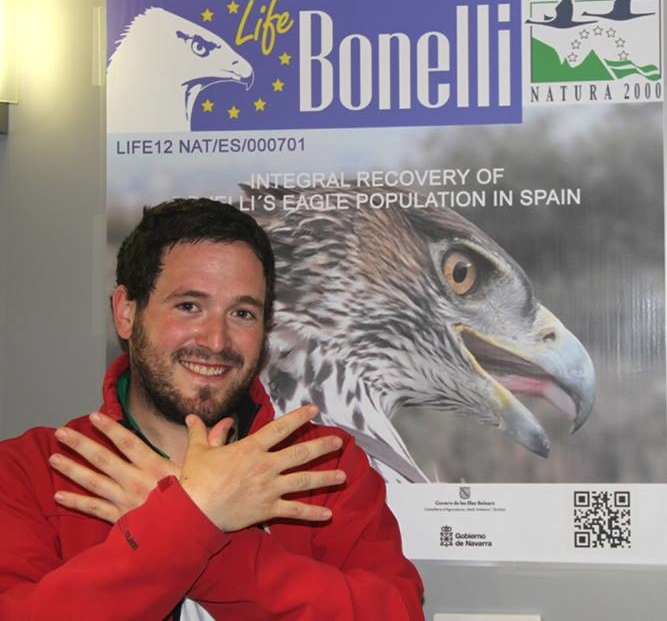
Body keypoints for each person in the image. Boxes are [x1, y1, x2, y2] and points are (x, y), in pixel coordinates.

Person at [0, 198, 424, 620]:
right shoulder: (30, 471)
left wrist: (190, 527)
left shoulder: (323, 467)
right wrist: (189, 519)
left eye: (242, 313)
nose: (217, 341)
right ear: (126, 313)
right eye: (189, 306)